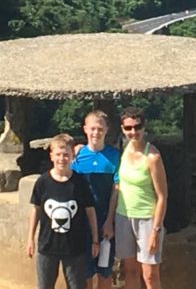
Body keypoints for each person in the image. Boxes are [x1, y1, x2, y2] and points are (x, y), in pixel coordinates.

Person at [27, 133, 100, 289]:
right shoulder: (42, 182)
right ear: (51, 156)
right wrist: (30, 239)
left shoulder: (80, 182)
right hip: (47, 245)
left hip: (75, 246)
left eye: (66, 155)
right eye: (58, 154)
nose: (62, 159)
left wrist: (95, 239)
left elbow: (90, 211)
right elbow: (36, 210)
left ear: (72, 156)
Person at [114, 107, 168, 289]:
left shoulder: (152, 156)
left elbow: (162, 196)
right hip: (123, 216)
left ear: (144, 128)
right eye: (128, 128)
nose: (133, 132)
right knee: (129, 271)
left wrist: (156, 230)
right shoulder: (123, 148)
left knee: (150, 275)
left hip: (147, 219)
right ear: (122, 129)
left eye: (137, 127)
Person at [71, 110, 120, 289]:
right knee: (84, 272)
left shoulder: (114, 156)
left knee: (104, 269)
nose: (96, 133)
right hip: (82, 222)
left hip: (104, 219)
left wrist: (109, 221)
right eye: (92, 128)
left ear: (107, 130)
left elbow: (116, 190)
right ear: (85, 129)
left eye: (100, 128)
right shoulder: (76, 156)